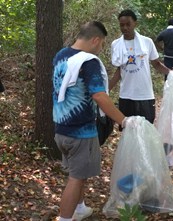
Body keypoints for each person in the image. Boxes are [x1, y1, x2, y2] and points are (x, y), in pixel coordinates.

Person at [52, 21, 130, 221]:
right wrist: (124, 120)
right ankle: (65, 218)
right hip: (81, 133)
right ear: (96, 40)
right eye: (102, 43)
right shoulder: (89, 62)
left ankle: (79, 208)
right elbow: (99, 96)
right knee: (75, 178)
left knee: (79, 172)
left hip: (61, 129)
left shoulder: (61, 55)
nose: (100, 48)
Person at [109, 9, 170, 127]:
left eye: (128, 24)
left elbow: (156, 64)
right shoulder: (116, 44)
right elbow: (119, 70)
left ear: (135, 23)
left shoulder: (147, 42)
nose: (125, 28)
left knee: (147, 127)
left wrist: (171, 73)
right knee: (128, 129)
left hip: (145, 94)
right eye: (122, 25)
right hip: (126, 94)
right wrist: (107, 89)